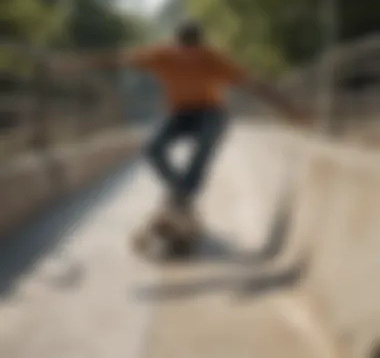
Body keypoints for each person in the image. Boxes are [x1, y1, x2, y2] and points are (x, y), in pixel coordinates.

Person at [57, 20, 310, 216]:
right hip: (178, 114)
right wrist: (78, 64)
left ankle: (184, 192)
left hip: (210, 112)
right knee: (152, 148)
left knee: (207, 139)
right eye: (184, 52)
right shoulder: (161, 55)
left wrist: (289, 110)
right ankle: (181, 192)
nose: (189, 58)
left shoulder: (214, 59)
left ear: (201, 47)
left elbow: (255, 85)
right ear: (176, 45)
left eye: (194, 53)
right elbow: (117, 59)